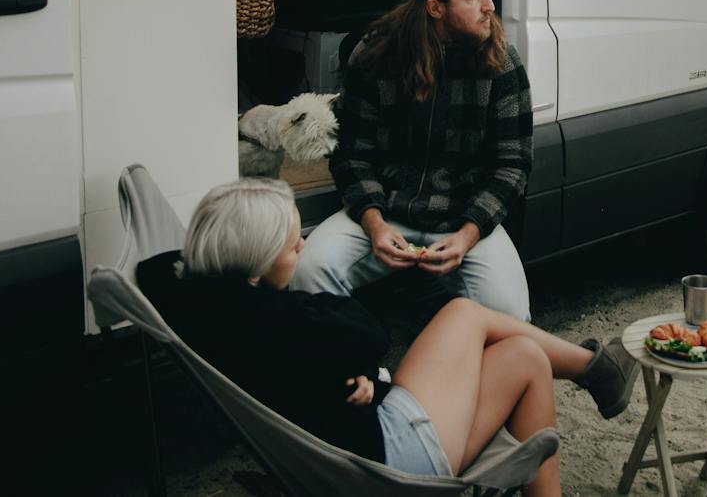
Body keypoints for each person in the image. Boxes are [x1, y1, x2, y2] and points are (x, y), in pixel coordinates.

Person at [137, 178, 640, 493]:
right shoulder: (278, 316)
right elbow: (369, 335)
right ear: (256, 259)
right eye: (294, 245)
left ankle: (595, 370)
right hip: (389, 461)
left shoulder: (203, 300)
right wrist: (353, 368)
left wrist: (347, 375)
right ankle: (595, 368)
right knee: (466, 312)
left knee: (525, 354)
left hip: (352, 440)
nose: (304, 247)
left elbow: (155, 267)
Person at [294, 0, 535, 320]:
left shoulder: (501, 62)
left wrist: (468, 234)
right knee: (309, 271)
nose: (490, 6)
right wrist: (373, 225)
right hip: (384, 213)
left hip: (464, 222)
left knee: (511, 315)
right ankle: (349, 377)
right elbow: (352, 153)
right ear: (436, 8)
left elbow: (512, 165)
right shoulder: (375, 56)